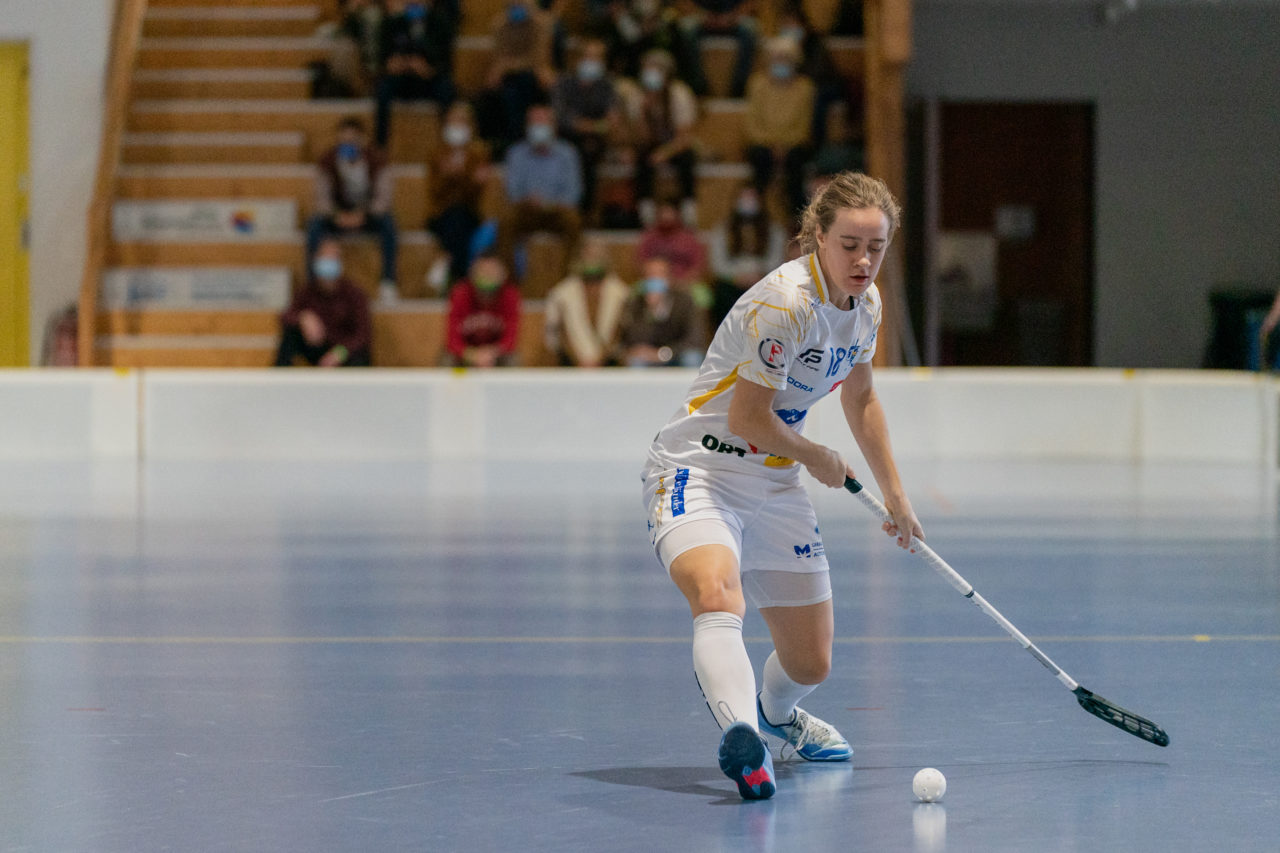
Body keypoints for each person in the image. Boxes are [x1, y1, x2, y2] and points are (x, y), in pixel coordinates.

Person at [639, 171, 924, 800]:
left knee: (810, 661)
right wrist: (816, 454)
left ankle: (776, 714)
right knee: (718, 595)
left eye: (876, 247)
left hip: (774, 482)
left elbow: (861, 397)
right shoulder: (785, 304)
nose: (863, 260)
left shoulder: (866, 305)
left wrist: (896, 496)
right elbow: (748, 419)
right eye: (850, 245)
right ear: (818, 236)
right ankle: (744, 741)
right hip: (699, 470)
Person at [305, 116, 399, 303]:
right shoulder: (327, 161)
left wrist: (363, 215)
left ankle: (388, 281)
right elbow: (321, 199)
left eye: (352, 140)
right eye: (343, 141)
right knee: (314, 226)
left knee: (389, 225)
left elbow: (384, 198)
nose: (347, 145)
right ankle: (313, 283)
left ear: (362, 140)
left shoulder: (377, 160)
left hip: (367, 214)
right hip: (337, 215)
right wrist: (337, 215)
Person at [497, 103, 583, 283]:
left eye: (543, 123)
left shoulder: (567, 153)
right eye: (534, 123)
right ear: (527, 126)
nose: (539, 127)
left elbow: (574, 191)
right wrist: (528, 200)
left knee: (573, 221)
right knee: (506, 221)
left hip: (557, 211)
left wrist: (555, 203)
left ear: (553, 126)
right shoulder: (516, 153)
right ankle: (509, 282)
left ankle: (568, 281)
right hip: (527, 210)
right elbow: (512, 191)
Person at [621, 48, 699, 225]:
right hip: (652, 144)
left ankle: (689, 207)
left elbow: (684, 137)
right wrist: (644, 113)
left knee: (687, 158)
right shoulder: (637, 96)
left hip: (675, 145)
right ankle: (645, 209)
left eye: (655, 69)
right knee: (642, 158)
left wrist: (664, 153)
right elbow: (641, 139)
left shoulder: (680, 94)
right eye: (647, 69)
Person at [743, 36, 815, 221]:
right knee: (760, 158)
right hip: (763, 144)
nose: (780, 63)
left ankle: (797, 217)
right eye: (776, 58)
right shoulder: (757, 85)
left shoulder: (805, 88)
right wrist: (772, 144)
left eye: (785, 58)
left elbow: (804, 127)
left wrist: (784, 146)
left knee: (795, 162)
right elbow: (752, 125)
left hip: (794, 145)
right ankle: (757, 215)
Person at [549, 37, 619, 220]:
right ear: (578, 59)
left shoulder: (606, 85)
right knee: (573, 151)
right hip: (566, 137)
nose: (593, 62)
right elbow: (562, 118)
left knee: (589, 151)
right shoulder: (564, 83)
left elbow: (612, 119)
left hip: (595, 140)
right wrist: (593, 126)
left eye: (598, 58)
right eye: (589, 57)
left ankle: (585, 212)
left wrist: (591, 126)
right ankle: (568, 209)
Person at [373, 0, 460, 147]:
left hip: (429, 80)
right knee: (382, 90)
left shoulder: (441, 24)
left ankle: (448, 143)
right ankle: (381, 145)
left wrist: (429, 69)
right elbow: (383, 58)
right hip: (401, 79)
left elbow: (447, 63)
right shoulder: (393, 23)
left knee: (446, 89)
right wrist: (392, 65)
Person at [275, 236, 373, 367]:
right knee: (290, 334)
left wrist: (339, 353)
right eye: (324, 259)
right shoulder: (307, 291)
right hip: (318, 349)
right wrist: (303, 317)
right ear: (315, 262)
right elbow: (285, 316)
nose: (328, 263)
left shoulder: (354, 294)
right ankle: (279, 377)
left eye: (333, 259)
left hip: (344, 352)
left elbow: (362, 335)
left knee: (359, 358)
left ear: (341, 263)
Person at [426, 101, 492, 291]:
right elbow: (434, 193)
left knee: (460, 217)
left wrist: (461, 176)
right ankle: (462, 280)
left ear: (470, 126)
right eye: (452, 122)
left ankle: (446, 260)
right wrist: (449, 176)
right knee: (455, 219)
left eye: (460, 122)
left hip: (469, 214)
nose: (456, 127)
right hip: (440, 214)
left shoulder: (479, 154)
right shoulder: (436, 154)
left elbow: (475, 195)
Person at [708, 182, 787, 331]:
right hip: (732, 282)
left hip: (764, 280)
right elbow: (717, 264)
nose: (748, 202)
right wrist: (736, 277)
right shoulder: (723, 229)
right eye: (743, 197)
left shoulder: (774, 230)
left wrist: (759, 275)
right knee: (720, 293)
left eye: (751, 198)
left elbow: (777, 260)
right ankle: (726, 337)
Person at [479, 0, 557, 152]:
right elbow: (499, 56)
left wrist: (511, 64)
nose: (517, 6)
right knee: (495, 92)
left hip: (532, 75)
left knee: (526, 84)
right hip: (509, 77)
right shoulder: (499, 25)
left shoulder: (540, 25)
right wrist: (507, 66)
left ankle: (520, 138)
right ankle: (503, 142)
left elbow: (539, 58)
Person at [544, 240, 632, 366]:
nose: (592, 259)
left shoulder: (620, 293)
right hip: (571, 363)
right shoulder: (561, 294)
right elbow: (556, 333)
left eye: (596, 255)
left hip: (609, 363)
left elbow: (621, 332)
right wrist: (578, 360)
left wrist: (600, 359)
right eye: (588, 255)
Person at [619, 256, 703, 367]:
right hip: (649, 357)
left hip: (677, 354)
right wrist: (652, 309)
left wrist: (664, 354)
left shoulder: (684, 301)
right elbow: (632, 341)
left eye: (659, 275)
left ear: (669, 279)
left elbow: (694, 340)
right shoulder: (635, 303)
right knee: (635, 360)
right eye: (649, 275)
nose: (654, 279)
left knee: (692, 357)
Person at [444, 253, 521, 367]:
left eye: (492, 271)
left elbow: (511, 339)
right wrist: (473, 355)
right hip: (467, 353)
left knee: (512, 360)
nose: (487, 276)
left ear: (503, 274)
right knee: (447, 359)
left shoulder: (510, 295)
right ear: (472, 274)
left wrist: (491, 353)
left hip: (496, 354)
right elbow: (452, 340)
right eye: (483, 271)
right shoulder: (460, 293)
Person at [676, 0, 758, 98]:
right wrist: (706, 15)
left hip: (732, 19)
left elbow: (743, 3)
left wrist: (732, 15)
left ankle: (739, 87)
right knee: (686, 32)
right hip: (705, 20)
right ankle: (697, 85)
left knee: (750, 30)